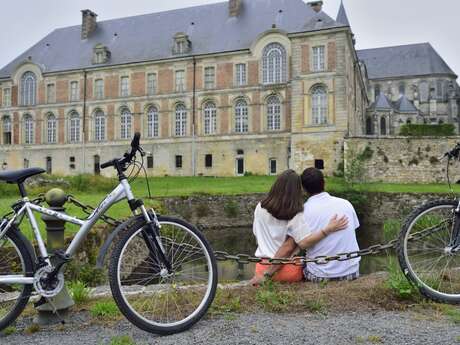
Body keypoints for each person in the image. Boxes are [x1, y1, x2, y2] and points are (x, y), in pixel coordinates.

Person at [250, 169, 348, 285]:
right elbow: (290, 247)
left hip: (262, 268)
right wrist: (327, 230)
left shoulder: (259, 207)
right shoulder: (296, 213)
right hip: (288, 271)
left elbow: (256, 234)